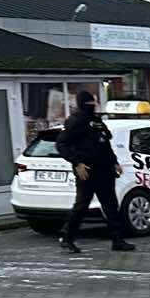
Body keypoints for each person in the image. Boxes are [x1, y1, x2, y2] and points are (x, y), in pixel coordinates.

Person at [56, 90, 133, 253]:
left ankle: (117, 240)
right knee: (82, 206)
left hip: (105, 169)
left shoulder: (96, 121)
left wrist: (114, 162)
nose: (94, 105)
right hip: (87, 170)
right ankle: (67, 237)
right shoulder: (75, 121)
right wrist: (77, 163)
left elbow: (104, 143)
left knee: (111, 206)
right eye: (91, 102)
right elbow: (61, 144)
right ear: (85, 103)